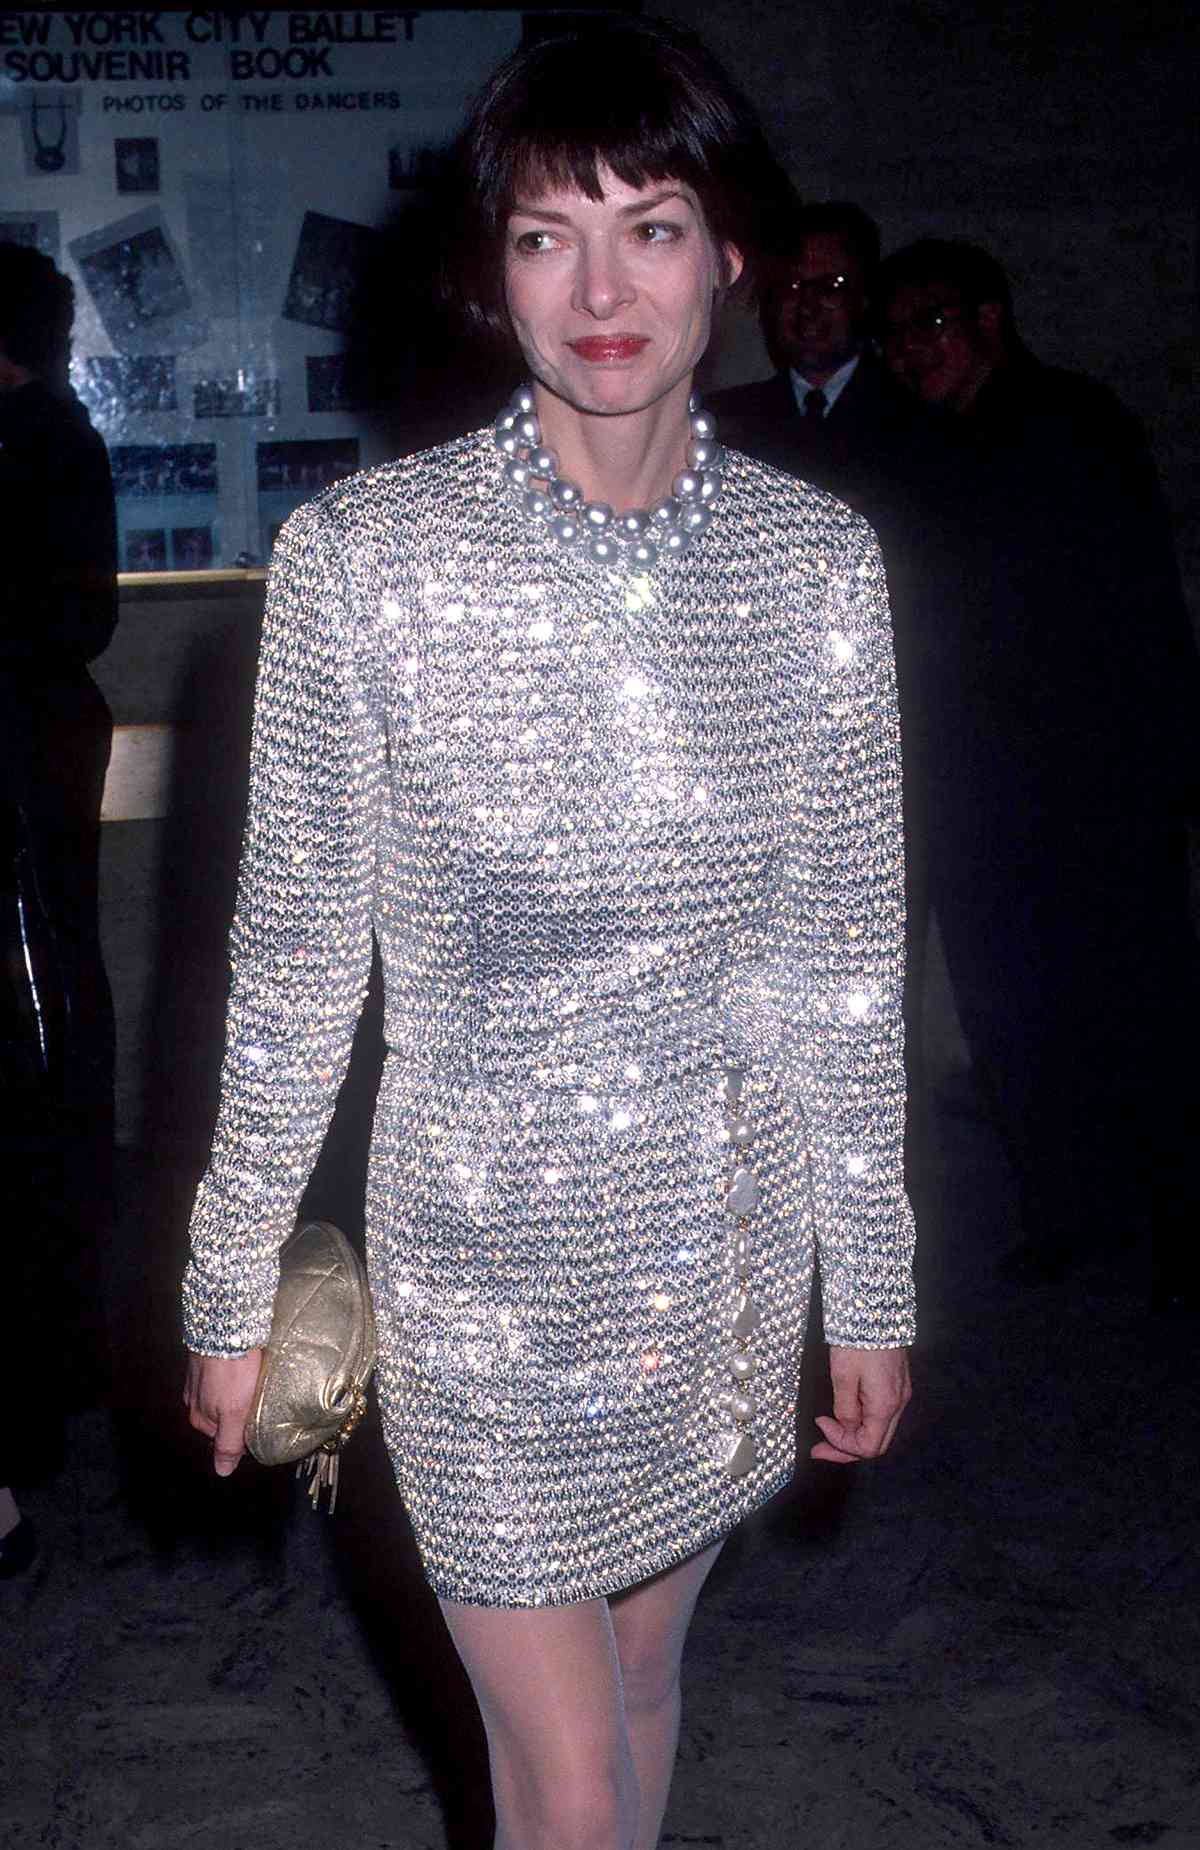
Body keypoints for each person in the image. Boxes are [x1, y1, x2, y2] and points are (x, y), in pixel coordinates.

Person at [182, 20, 915, 1849]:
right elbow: (288, 973)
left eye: (650, 226)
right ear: (488, 269)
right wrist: (225, 1287)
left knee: (644, 1692)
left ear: (731, 254)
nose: (599, 288)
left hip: (719, 1268)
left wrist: (872, 1278)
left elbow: (841, 964)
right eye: (541, 234)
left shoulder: (818, 568)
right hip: (480, 1285)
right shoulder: (369, 564)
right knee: (571, 1788)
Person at [877, 237, 1200, 1300]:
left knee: (1134, 1003)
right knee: (1014, 1016)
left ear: (988, 319)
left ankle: (1176, 1219)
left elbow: (1139, 609)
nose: (912, 348)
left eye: (932, 322)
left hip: (1089, 787)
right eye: (900, 330)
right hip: (975, 792)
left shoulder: (1075, 424)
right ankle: (1067, 1210)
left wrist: (1157, 769)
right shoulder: (922, 449)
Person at [0, 243, 118, 1576]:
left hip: (17, 802)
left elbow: (62, 623)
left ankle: (51, 1370)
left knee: (34, 1095)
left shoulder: (35, 445)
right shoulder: (51, 441)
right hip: (32, 789)